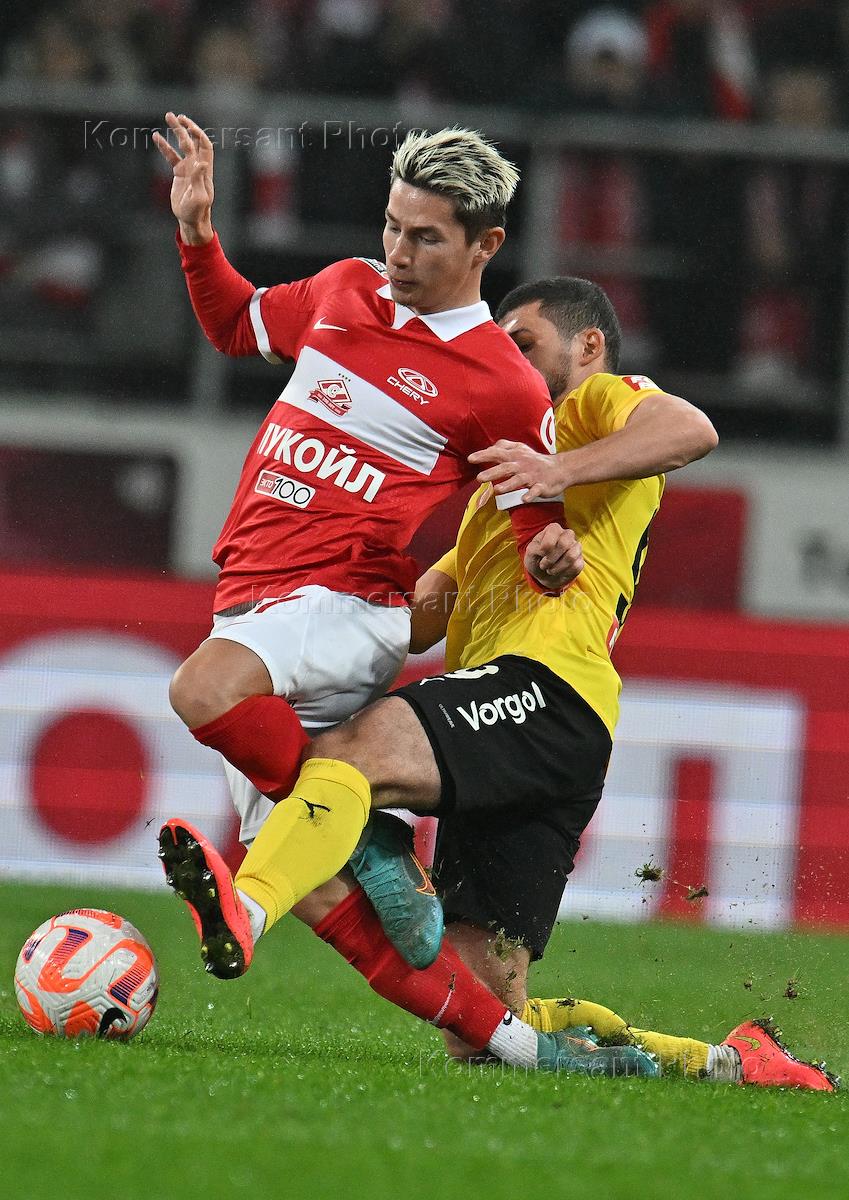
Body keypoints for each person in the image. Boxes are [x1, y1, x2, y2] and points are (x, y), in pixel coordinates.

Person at [161, 274, 836, 1089]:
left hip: (544, 692)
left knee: (351, 752)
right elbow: (418, 620)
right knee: (484, 1021)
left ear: (587, 346)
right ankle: (729, 1063)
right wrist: (328, 580)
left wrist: (556, 472)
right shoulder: (499, 503)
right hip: (525, 735)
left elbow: (689, 428)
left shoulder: (590, 409)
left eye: (524, 343)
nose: (506, 358)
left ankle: (250, 904)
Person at [152, 111, 572, 943]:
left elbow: (535, 535)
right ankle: (484, 1010)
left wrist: (551, 557)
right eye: (391, 226)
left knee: (200, 690)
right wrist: (198, 234)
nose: (398, 253)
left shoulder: (503, 386)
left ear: (485, 246)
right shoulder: (345, 288)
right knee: (336, 906)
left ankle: (370, 830)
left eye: (425, 238)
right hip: (256, 598)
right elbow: (236, 324)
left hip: (346, 602)